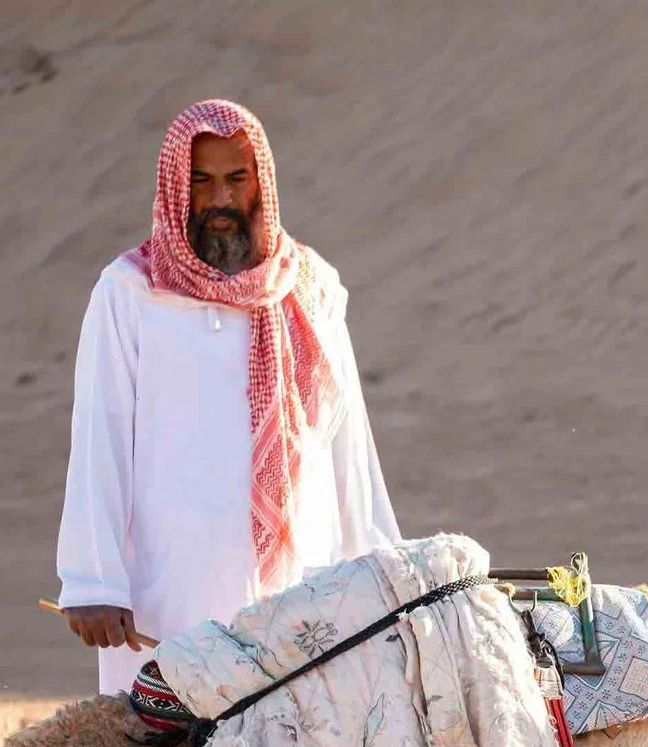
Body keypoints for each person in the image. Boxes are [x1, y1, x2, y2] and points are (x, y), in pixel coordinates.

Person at [56, 99, 401, 695]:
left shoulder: (310, 288)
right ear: (176, 187)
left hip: (303, 595)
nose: (219, 199)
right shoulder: (132, 293)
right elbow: (99, 437)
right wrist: (95, 582)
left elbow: (348, 443)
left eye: (235, 179)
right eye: (202, 180)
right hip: (173, 596)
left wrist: (381, 573)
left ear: (259, 183)